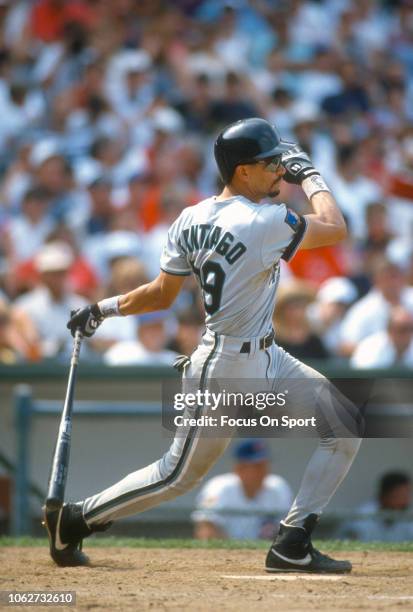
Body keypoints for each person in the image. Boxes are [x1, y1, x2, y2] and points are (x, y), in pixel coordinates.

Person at [44, 117, 361, 573]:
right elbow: (334, 226)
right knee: (178, 475)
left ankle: (292, 542)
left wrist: (102, 308)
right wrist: (310, 175)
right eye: (270, 163)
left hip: (266, 352)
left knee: (344, 424)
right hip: (227, 365)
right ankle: (76, 520)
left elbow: (160, 294)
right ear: (242, 171)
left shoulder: (191, 216)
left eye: (281, 161)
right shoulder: (263, 220)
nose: (280, 169)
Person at [192, 440, 293, 540]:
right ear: (239, 468)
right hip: (226, 550)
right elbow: (206, 529)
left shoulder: (278, 487)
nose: (263, 470)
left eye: (265, 464)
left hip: (265, 551)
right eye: (256, 466)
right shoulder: (219, 487)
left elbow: (289, 528)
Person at [339, 472, 413, 542]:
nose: (405, 501)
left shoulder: (406, 516)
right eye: (400, 496)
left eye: (406, 495)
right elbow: (352, 543)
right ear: (384, 495)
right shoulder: (364, 515)